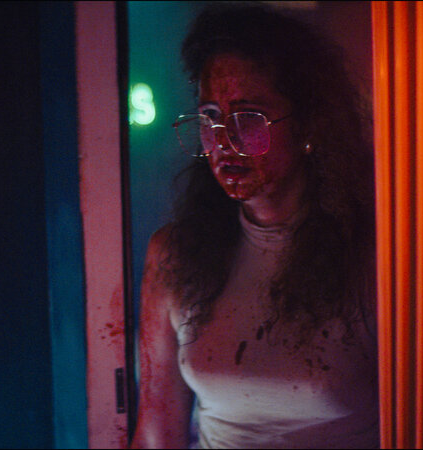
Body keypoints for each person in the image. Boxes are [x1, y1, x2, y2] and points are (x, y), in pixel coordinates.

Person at [130, 3, 378, 448]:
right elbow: (155, 431)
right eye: (210, 117)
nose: (224, 141)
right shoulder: (176, 256)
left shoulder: (371, 256)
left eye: (248, 118)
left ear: (307, 126)